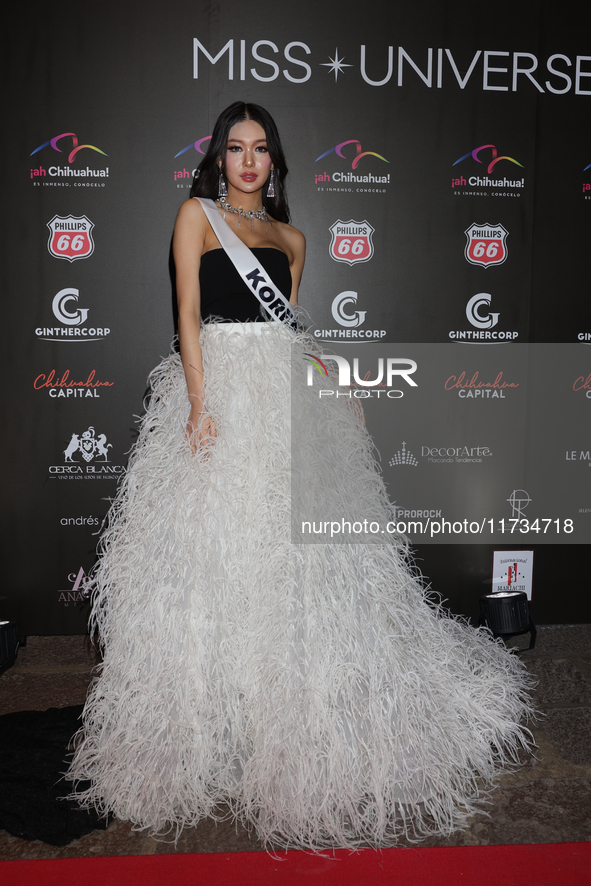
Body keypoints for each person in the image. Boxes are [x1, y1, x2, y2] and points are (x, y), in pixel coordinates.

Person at [67, 102, 533, 849]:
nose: (248, 161)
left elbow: (288, 326)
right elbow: (186, 314)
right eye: (236, 148)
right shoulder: (195, 217)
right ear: (219, 158)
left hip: (285, 401)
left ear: (274, 162)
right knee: (215, 556)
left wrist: (330, 382)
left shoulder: (291, 238)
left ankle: (293, 715)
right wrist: (197, 403)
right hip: (220, 392)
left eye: (261, 150)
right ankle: (214, 720)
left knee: (295, 560)